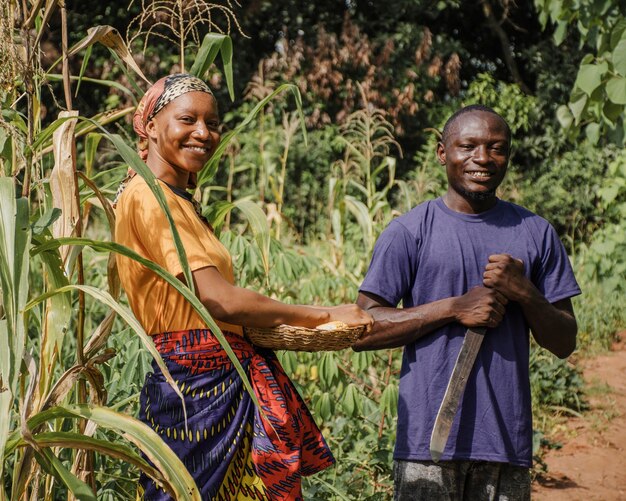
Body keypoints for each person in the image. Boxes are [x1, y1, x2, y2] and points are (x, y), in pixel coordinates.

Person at [114, 73, 372, 501]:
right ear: (151, 126)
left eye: (213, 122)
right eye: (187, 120)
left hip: (213, 382)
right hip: (194, 389)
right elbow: (219, 300)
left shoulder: (177, 199)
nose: (203, 132)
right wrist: (324, 315)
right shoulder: (148, 195)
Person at [353, 105, 581, 500]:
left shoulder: (536, 233)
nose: (482, 159)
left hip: (505, 444)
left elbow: (564, 342)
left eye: (496, 148)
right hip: (428, 446)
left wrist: (524, 291)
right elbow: (362, 329)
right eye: (468, 146)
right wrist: (454, 308)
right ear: (443, 153)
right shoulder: (409, 231)